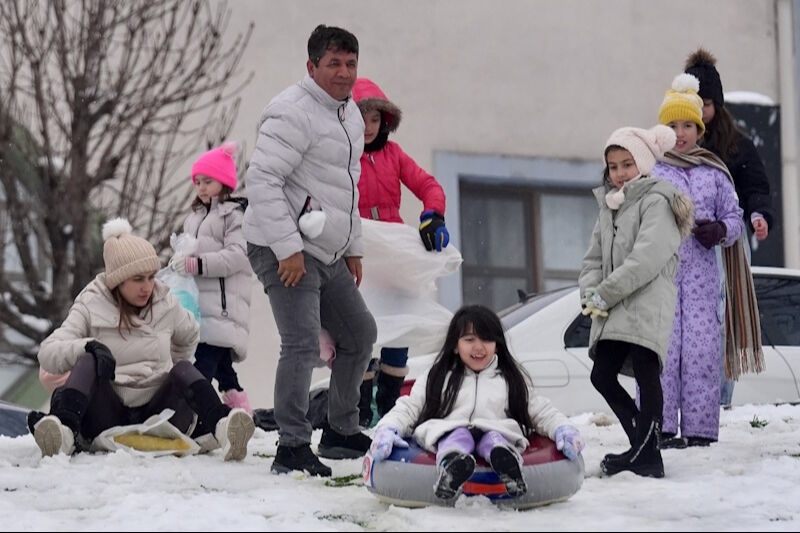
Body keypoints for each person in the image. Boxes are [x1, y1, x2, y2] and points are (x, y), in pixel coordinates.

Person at [243, 24, 377, 477]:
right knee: (301, 345)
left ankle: (340, 430)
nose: (344, 73)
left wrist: (352, 245)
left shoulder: (350, 115)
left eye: (350, 64)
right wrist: (286, 249)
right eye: (333, 64)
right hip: (279, 245)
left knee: (359, 335)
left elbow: (349, 188)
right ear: (312, 66)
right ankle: (293, 446)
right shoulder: (290, 112)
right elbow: (261, 182)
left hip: (327, 250)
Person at [30, 218, 255, 460]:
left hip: (160, 412)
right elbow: (48, 353)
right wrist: (87, 347)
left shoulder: (164, 301)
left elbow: (190, 334)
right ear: (118, 280)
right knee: (87, 359)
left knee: (182, 368)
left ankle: (224, 429)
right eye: (138, 279)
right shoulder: (91, 302)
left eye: (150, 276)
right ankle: (63, 433)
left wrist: (173, 366)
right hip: (107, 412)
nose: (147, 287)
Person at [369, 305, 584, 500]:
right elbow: (410, 407)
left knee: (494, 438)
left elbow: (539, 410)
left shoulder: (509, 378)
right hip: (450, 429)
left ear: (497, 346)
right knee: (457, 436)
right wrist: (388, 428)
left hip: (496, 429)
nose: (479, 347)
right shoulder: (439, 376)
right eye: (470, 340)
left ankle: (506, 464)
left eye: (486, 340)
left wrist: (562, 429)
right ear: (455, 346)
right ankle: (453, 466)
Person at [653, 73, 762, 448]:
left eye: (688, 125)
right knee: (661, 358)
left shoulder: (714, 172)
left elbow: (735, 217)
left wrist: (719, 230)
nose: (680, 133)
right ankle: (659, 429)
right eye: (672, 125)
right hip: (662, 283)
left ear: (700, 130)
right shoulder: (653, 172)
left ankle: (699, 433)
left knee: (701, 357)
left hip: (701, 285)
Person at [580, 125, 694, 478]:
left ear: (642, 164)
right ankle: (644, 445)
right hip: (615, 305)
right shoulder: (609, 206)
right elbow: (592, 259)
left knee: (647, 372)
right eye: (613, 166)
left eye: (627, 164)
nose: (619, 173)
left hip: (646, 302)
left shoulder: (657, 200)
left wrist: (605, 293)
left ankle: (646, 452)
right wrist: (590, 293)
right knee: (602, 374)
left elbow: (646, 259)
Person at [351, 77, 449, 424]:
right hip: (357, 253)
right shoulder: (339, 157)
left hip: (393, 253)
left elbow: (428, 184)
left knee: (399, 332)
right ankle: (360, 414)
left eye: (375, 120)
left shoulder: (394, 155)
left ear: (385, 122)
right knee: (360, 334)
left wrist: (433, 215)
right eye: (361, 119)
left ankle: (390, 412)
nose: (367, 127)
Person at [683, 48, 774, 407]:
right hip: (684, 249)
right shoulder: (672, 144)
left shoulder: (736, 147)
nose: (700, 112)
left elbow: (756, 190)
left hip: (727, 250)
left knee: (721, 326)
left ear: (717, 105)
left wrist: (759, 216)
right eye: (694, 103)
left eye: (706, 104)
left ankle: (719, 402)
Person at [169, 142, 254, 416]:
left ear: (224, 182)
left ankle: (191, 413)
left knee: (202, 368)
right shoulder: (193, 218)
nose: (202, 187)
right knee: (224, 371)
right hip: (199, 307)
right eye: (198, 182)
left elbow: (238, 256)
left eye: (208, 181)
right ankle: (240, 413)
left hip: (223, 307)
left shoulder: (234, 215)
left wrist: (195, 264)